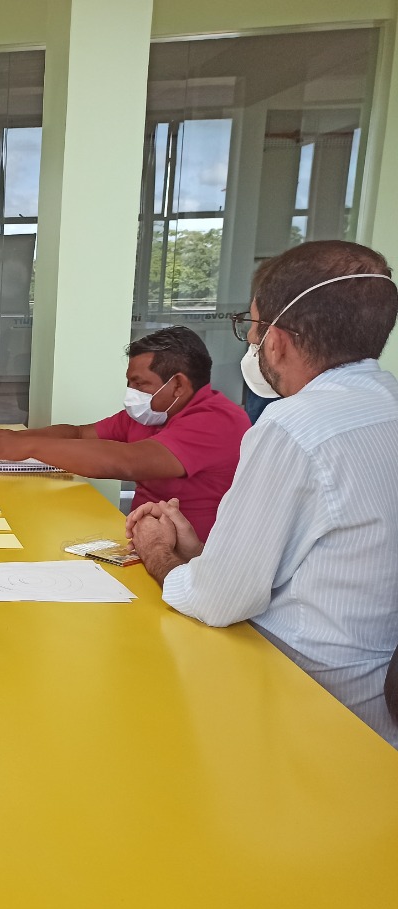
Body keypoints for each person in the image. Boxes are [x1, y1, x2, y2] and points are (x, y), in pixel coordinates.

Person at [128, 240, 398, 747]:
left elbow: (221, 601)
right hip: (379, 708)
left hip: (305, 707)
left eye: (250, 326)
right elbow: (329, 559)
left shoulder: (294, 426)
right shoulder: (386, 404)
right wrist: (205, 556)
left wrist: (160, 556)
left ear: (275, 341)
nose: (250, 341)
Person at [0, 326, 248, 540]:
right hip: (145, 541)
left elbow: (127, 462)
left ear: (177, 385)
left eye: (140, 384)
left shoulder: (218, 420)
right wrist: (19, 438)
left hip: (192, 559)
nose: (132, 393)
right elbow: (81, 434)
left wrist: (31, 448)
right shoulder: (151, 413)